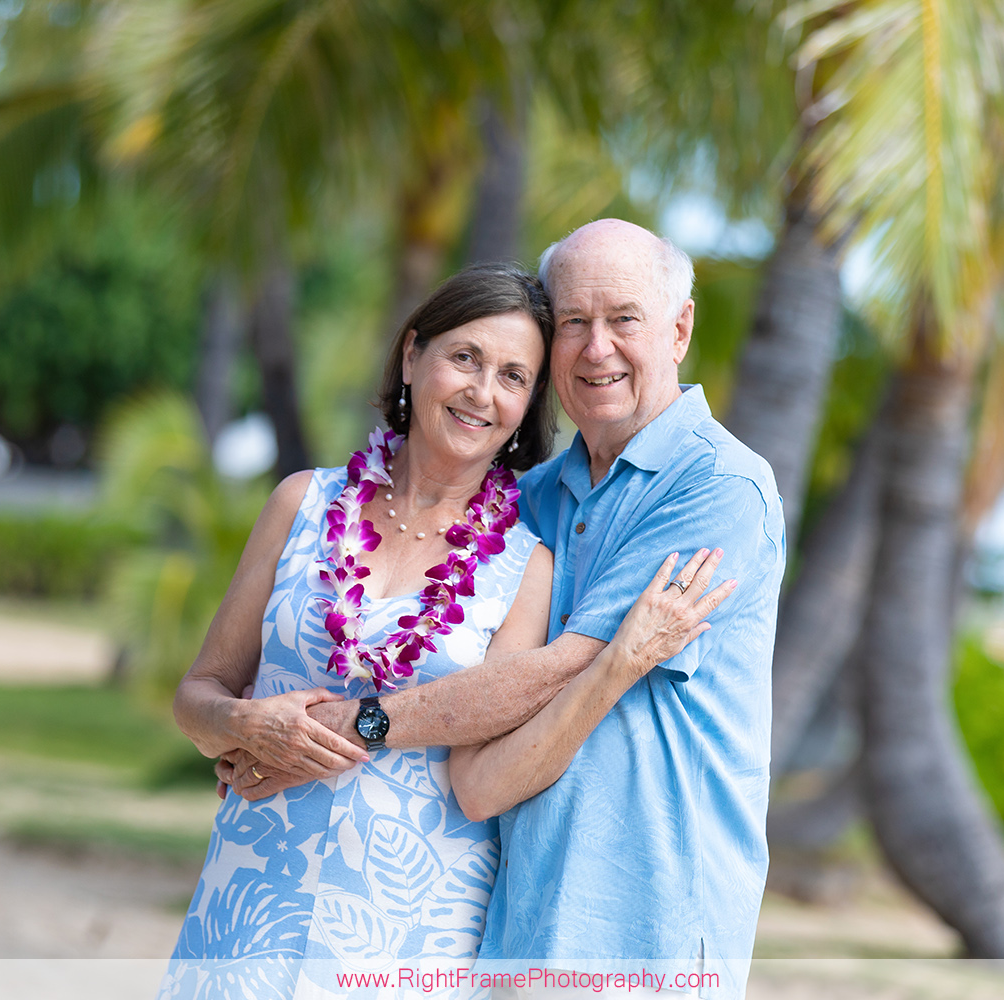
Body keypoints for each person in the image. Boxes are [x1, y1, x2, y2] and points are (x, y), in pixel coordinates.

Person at [229, 221, 786, 1000]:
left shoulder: (719, 488)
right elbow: (477, 758)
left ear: (679, 329)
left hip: (644, 931)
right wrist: (248, 728)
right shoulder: (530, 505)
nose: (597, 348)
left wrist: (334, 729)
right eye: (574, 324)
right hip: (511, 924)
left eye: (625, 319)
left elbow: (570, 669)